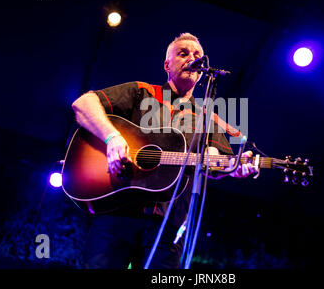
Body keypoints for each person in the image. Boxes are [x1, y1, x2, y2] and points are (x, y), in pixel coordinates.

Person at [71, 32, 256, 269]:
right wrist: (112, 137)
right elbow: (83, 104)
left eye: (198, 55)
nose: (192, 58)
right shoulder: (140, 92)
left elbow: (214, 161)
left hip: (168, 224)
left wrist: (233, 167)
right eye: (183, 53)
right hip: (118, 211)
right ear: (167, 65)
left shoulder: (207, 118)